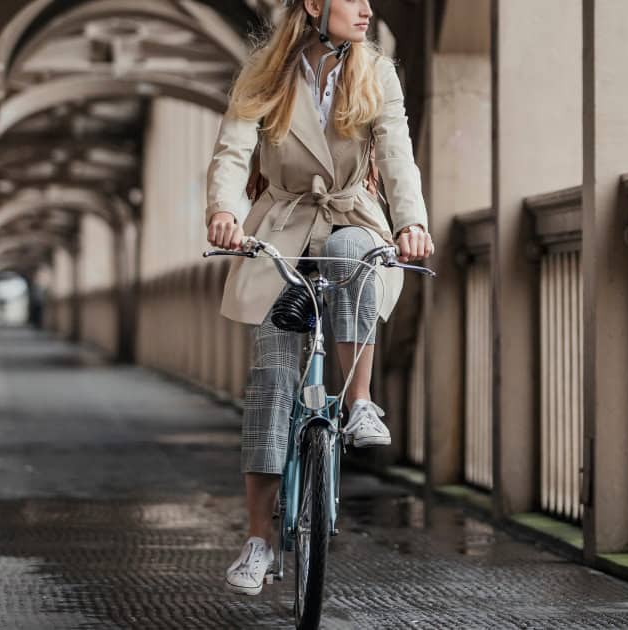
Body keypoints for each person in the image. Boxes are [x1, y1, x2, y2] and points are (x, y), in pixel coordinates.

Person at [203, 0, 434, 595]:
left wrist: (410, 222)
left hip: (352, 213)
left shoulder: (375, 71)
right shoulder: (265, 73)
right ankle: (257, 540)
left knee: (352, 252)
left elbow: (396, 153)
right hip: (280, 226)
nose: (366, 9)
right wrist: (225, 213)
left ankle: (360, 402)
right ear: (313, 5)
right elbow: (232, 151)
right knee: (271, 383)